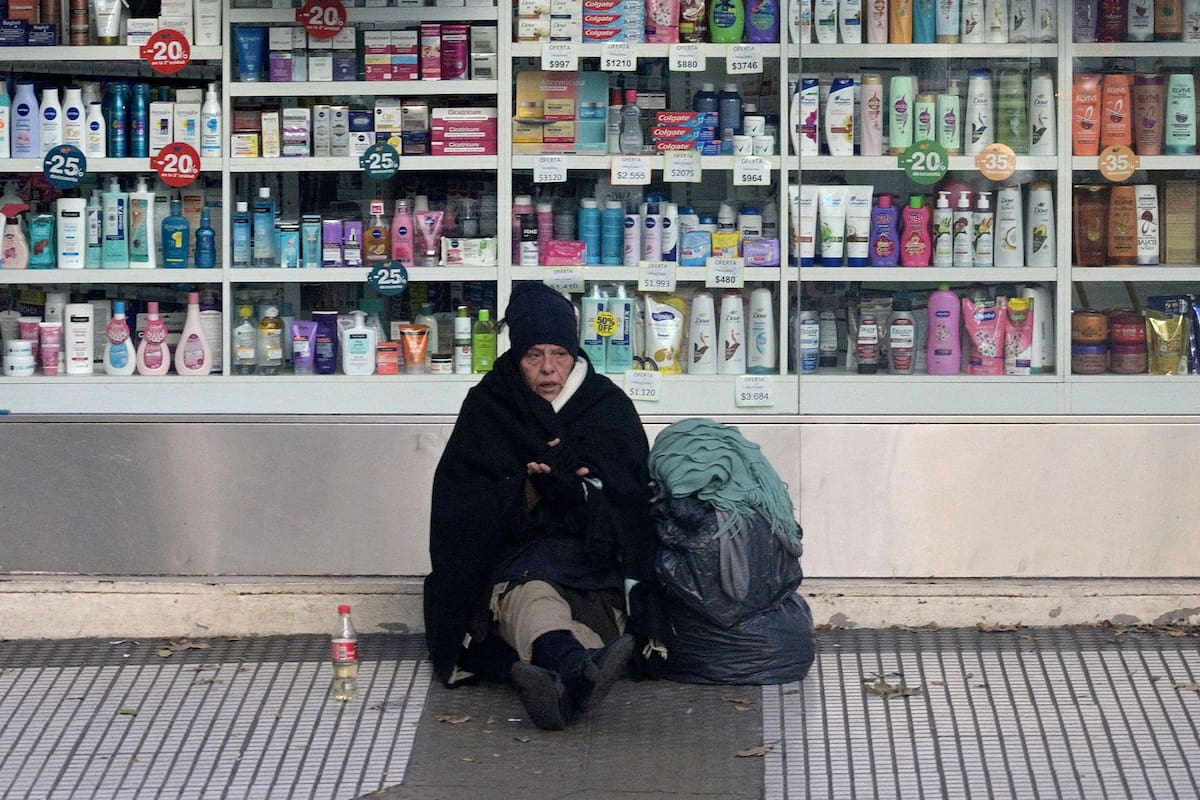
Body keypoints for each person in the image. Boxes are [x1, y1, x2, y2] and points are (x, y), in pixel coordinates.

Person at [424, 282, 653, 730]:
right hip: (517, 561)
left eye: (560, 355)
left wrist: (582, 492)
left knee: (598, 611)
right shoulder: (490, 406)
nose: (549, 370)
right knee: (533, 595)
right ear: (515, 356)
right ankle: (574, 668)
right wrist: (523, 493)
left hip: (592, 564)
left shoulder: (607, 407)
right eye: (534, 356)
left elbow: (633, 503)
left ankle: (559, 675)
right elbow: (458, 504)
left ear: (575, 354)